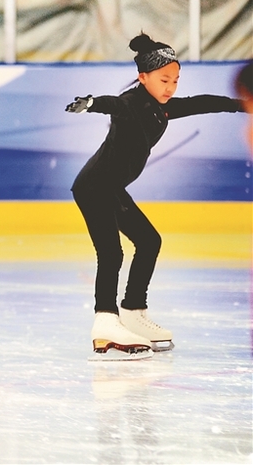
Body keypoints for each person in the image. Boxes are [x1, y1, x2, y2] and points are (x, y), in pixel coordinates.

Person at [66, 33, 245, 361]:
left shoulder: (162, 109)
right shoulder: (132, 103)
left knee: (149, 241)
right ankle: (105, 322)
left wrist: (241, 105)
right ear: (143, 77)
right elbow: (114, 103)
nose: (171, 87)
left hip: (110, 188)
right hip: (94, 187)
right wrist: (91, 104)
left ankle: (133, 311)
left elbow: (202, 103)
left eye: (175, 80)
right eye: (164, 79)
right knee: (111, 253)